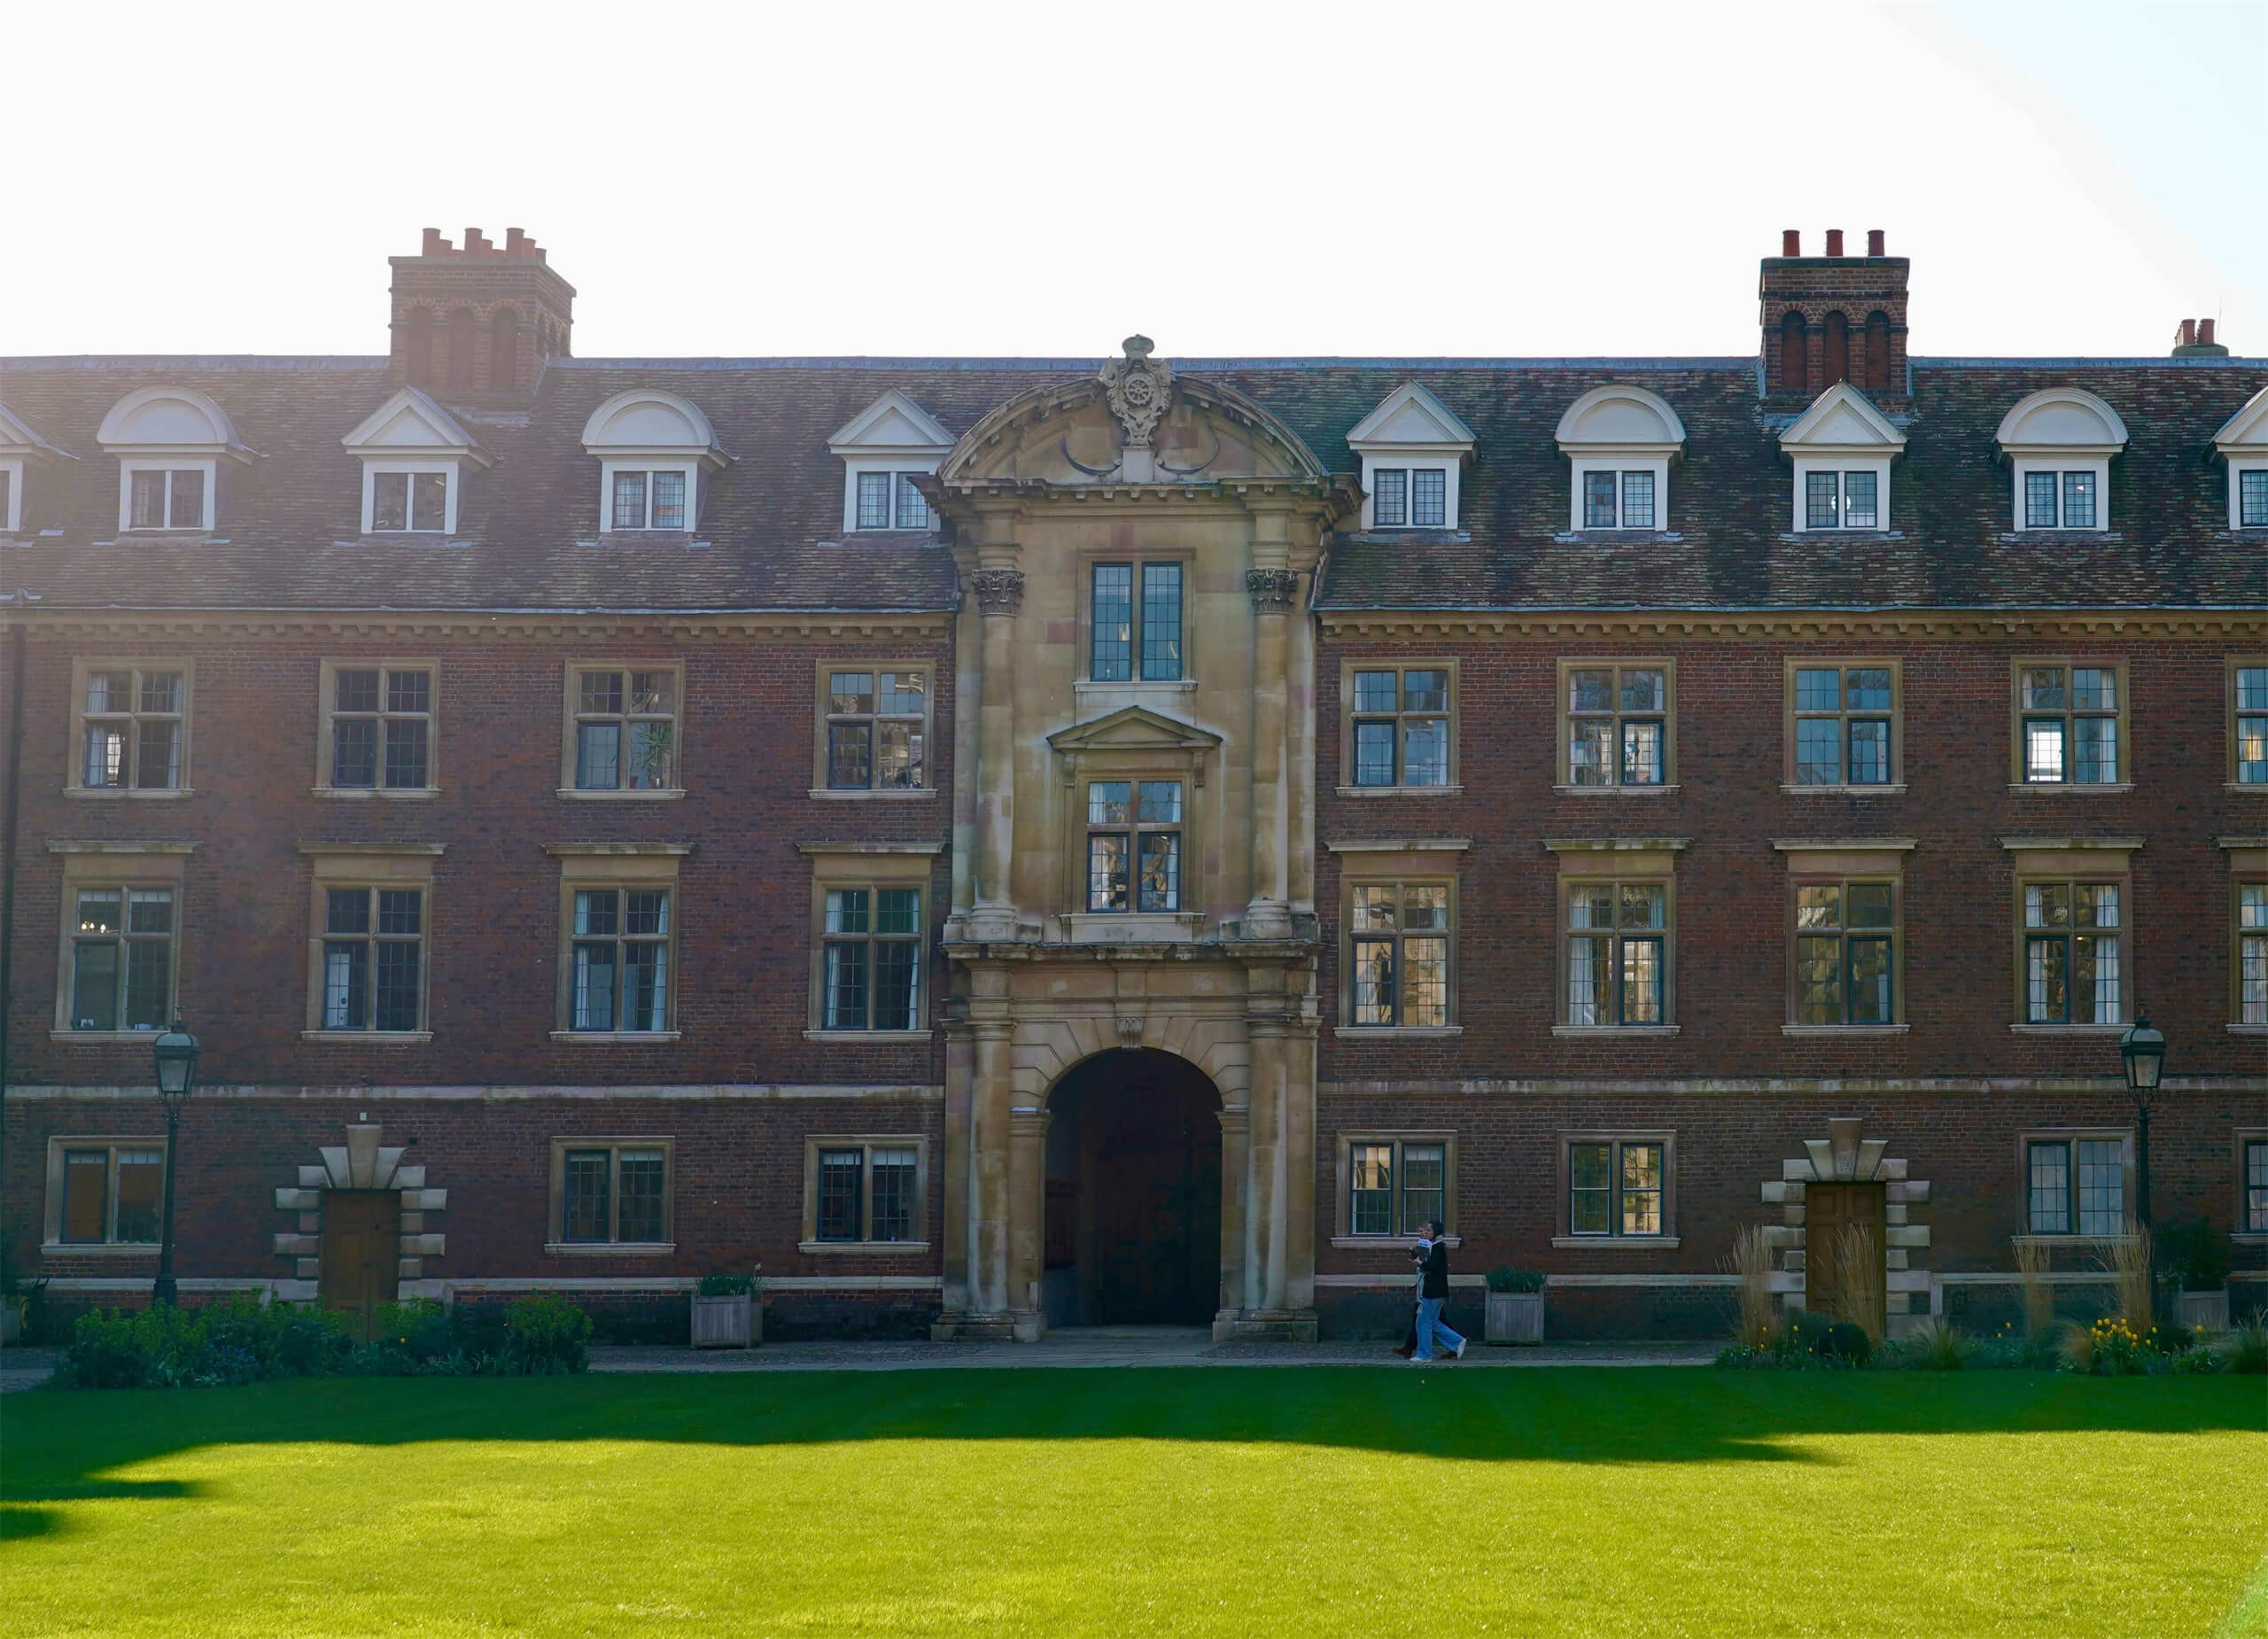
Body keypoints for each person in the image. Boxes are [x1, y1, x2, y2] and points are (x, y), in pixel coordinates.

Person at [1410, 1220, 1467, 1363]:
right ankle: (1457, 1342)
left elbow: (1430, 1267)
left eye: (1429, 1230)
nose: (1426, 1232)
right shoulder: (1434, 1246)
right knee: (1429, 1322)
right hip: (1435, 1291)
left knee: (1425, 1323)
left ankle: (1425, 1355)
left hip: (1433, 1292)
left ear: (1435, 1232)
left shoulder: (1437, 1247)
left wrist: (1419, 1262)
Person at [1393, 1227, 1431, 1357]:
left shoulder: (1428, 1246)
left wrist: (1417, 1261)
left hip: (1427, 1291)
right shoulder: (1424, 1246)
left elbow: (1426, 1267)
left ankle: (1456, 1343)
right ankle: (1409, 1347)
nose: (1421, 1233)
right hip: (1423, 1289)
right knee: (1419, 1319)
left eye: (1424, 1231)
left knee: (1434, 1322)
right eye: (1420, 1231)